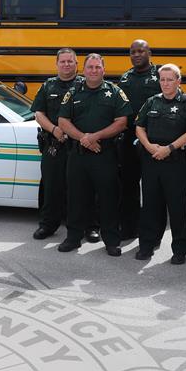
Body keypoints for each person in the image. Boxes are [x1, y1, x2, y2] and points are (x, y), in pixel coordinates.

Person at [56, 53, 132, 256]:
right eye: (90, 67)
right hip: (78, 154)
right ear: (84, 69)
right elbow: (63, 121)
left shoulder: (114, 92)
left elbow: (122, 122)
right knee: (76, 198)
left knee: (108, 198)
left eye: (98, 67)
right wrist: (84, 139)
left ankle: (111, 241)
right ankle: (73, 238)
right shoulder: (73, 92)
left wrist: (95, 137)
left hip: (105, 154)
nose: (94, 70)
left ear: (104, 70)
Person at [134, 63, 186, 263]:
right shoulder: (152, 102)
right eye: (162, 79)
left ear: (179, 81)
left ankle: (179, 250)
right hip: (152, 160)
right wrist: (148, 146)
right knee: (150, 205)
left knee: (177, 207)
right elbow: (139, 126)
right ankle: (146, 246)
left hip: (175, 162)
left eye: (170, 79)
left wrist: (169, 148)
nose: (165, 83)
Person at [31, 48, 84, 240]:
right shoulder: (48, 86)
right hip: (54, 145)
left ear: (77, 64)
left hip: (79, 146)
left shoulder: (85, 85)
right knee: (51, 186)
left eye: (70, 61)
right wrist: (54, 130)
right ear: (57, 64)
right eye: (63, 61)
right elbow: (38, 113)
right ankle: (48, 225)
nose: (66, 64)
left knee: (82, 188)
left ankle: (87, 226)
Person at [117, 40, 159, 240]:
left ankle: (152, 232)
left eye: (141, 51)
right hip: (128, 138)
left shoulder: (160, 75)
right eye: (133, 52)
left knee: (153, 187)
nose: (136, 55)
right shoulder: (125, 77)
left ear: (149, 53)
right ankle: (129, 227)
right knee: (129, 185)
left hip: (153, 138)